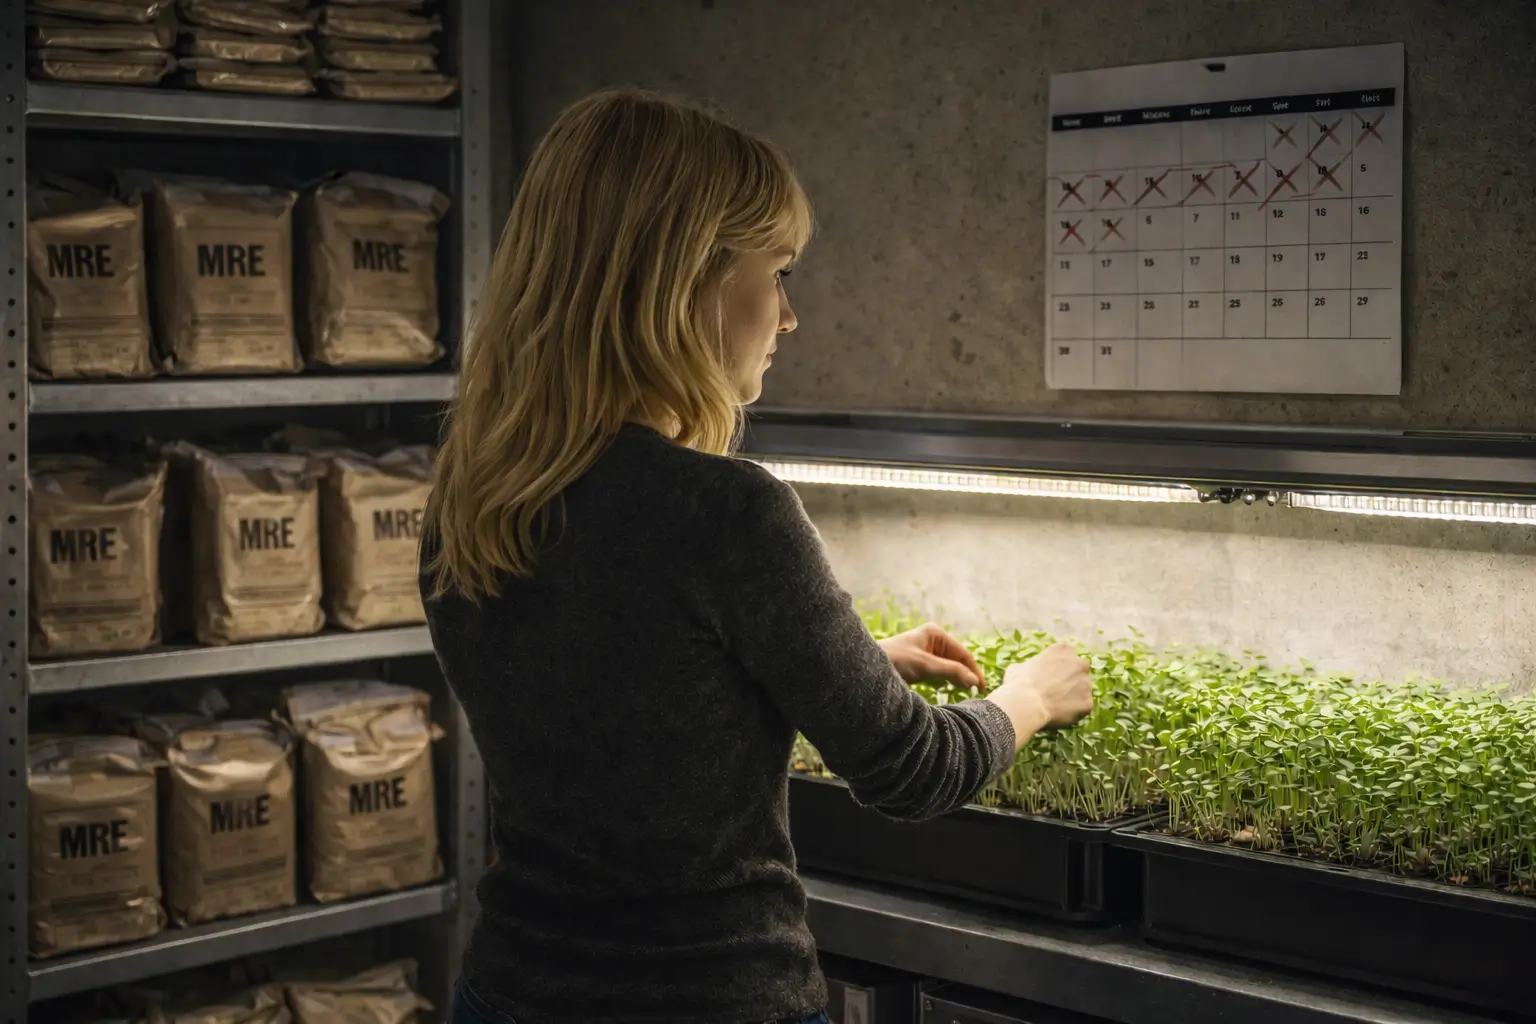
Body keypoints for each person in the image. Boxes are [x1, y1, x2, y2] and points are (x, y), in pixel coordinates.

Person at [421, 88, 1094, 1024]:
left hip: (506, 995)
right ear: (684, 279)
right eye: (776, 273)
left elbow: (616, 691)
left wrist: (842, 661)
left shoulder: (473, 499)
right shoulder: (724, 512)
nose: (787, 316)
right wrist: (1030, 697)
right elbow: (911, 768)